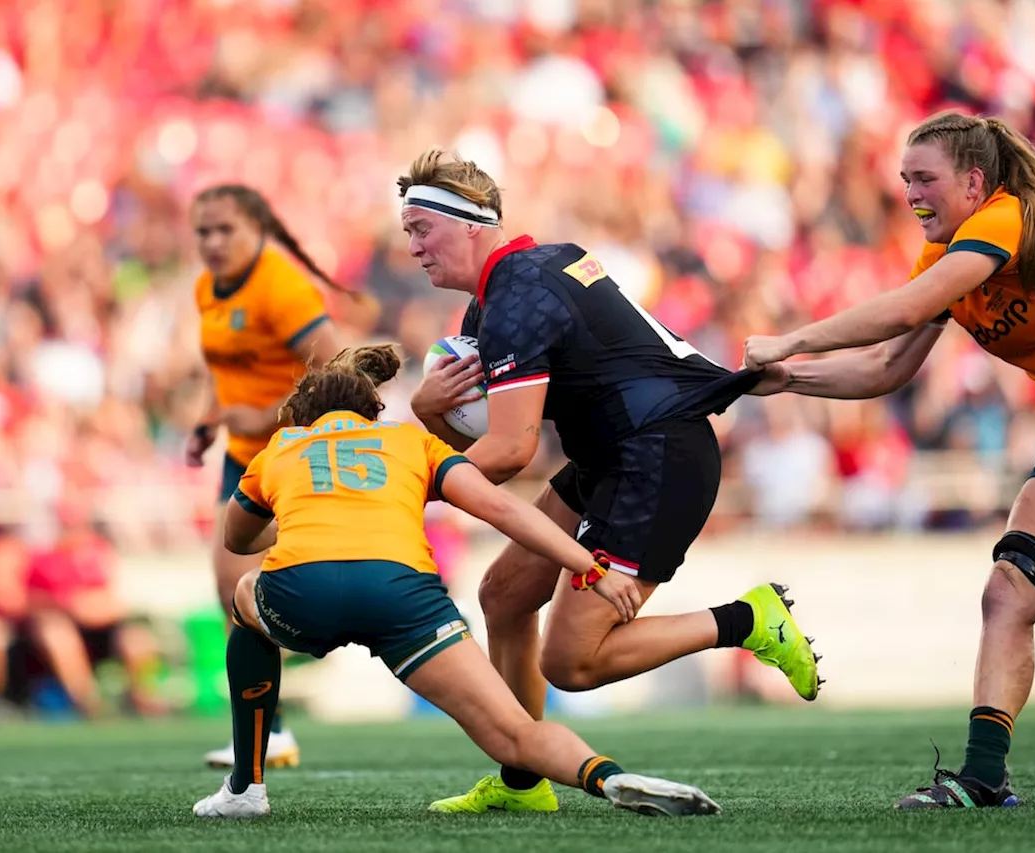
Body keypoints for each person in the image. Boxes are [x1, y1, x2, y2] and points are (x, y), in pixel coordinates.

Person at [744, 110, 1035, 809]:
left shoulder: (1005, 218)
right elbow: (884, 367)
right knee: (1007, 593)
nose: (910, 193)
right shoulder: (943, 256)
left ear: (974, 182)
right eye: (905, 179)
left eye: (925, 178)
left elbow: (904, 310)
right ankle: (982, 778)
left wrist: (789, 342)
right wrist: (789, 380)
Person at [397, 149, 819, 815]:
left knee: (573, 662)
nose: (413, 247)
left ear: (472, 223)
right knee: (504, 595)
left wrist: (400, 486)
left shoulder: (516, 300)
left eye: (421, 228)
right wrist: (429, 417)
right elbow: (494, 448)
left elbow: (509, 452)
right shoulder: (515, 288)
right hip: (616, 453)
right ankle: (522, 779)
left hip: (655, 456)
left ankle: (748, 619)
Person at [192, 348, 721, 819]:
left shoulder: (281, 447)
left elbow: (237, 541)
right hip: (403, 595)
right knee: (515, 733)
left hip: (302, 593)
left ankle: (246, 787)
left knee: (243, 599)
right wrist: (589, 566)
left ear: (302, 417)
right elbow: (499, 507)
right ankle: (607, 775)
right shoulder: (409, 442)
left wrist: (297, 514)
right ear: (375, 411)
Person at [185, 184, 346, 770]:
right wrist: (209, 421)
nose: (212, 242)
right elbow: (223, 368)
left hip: (290, 453)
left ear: (257, 229)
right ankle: (268, 730)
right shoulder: (207, 288)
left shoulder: (281, 287)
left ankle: (273, 725)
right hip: (241, 455)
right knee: (230, 589)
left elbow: (340, 367)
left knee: (252, 591)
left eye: (225, 229)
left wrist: (268, 414)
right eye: (203, 231)